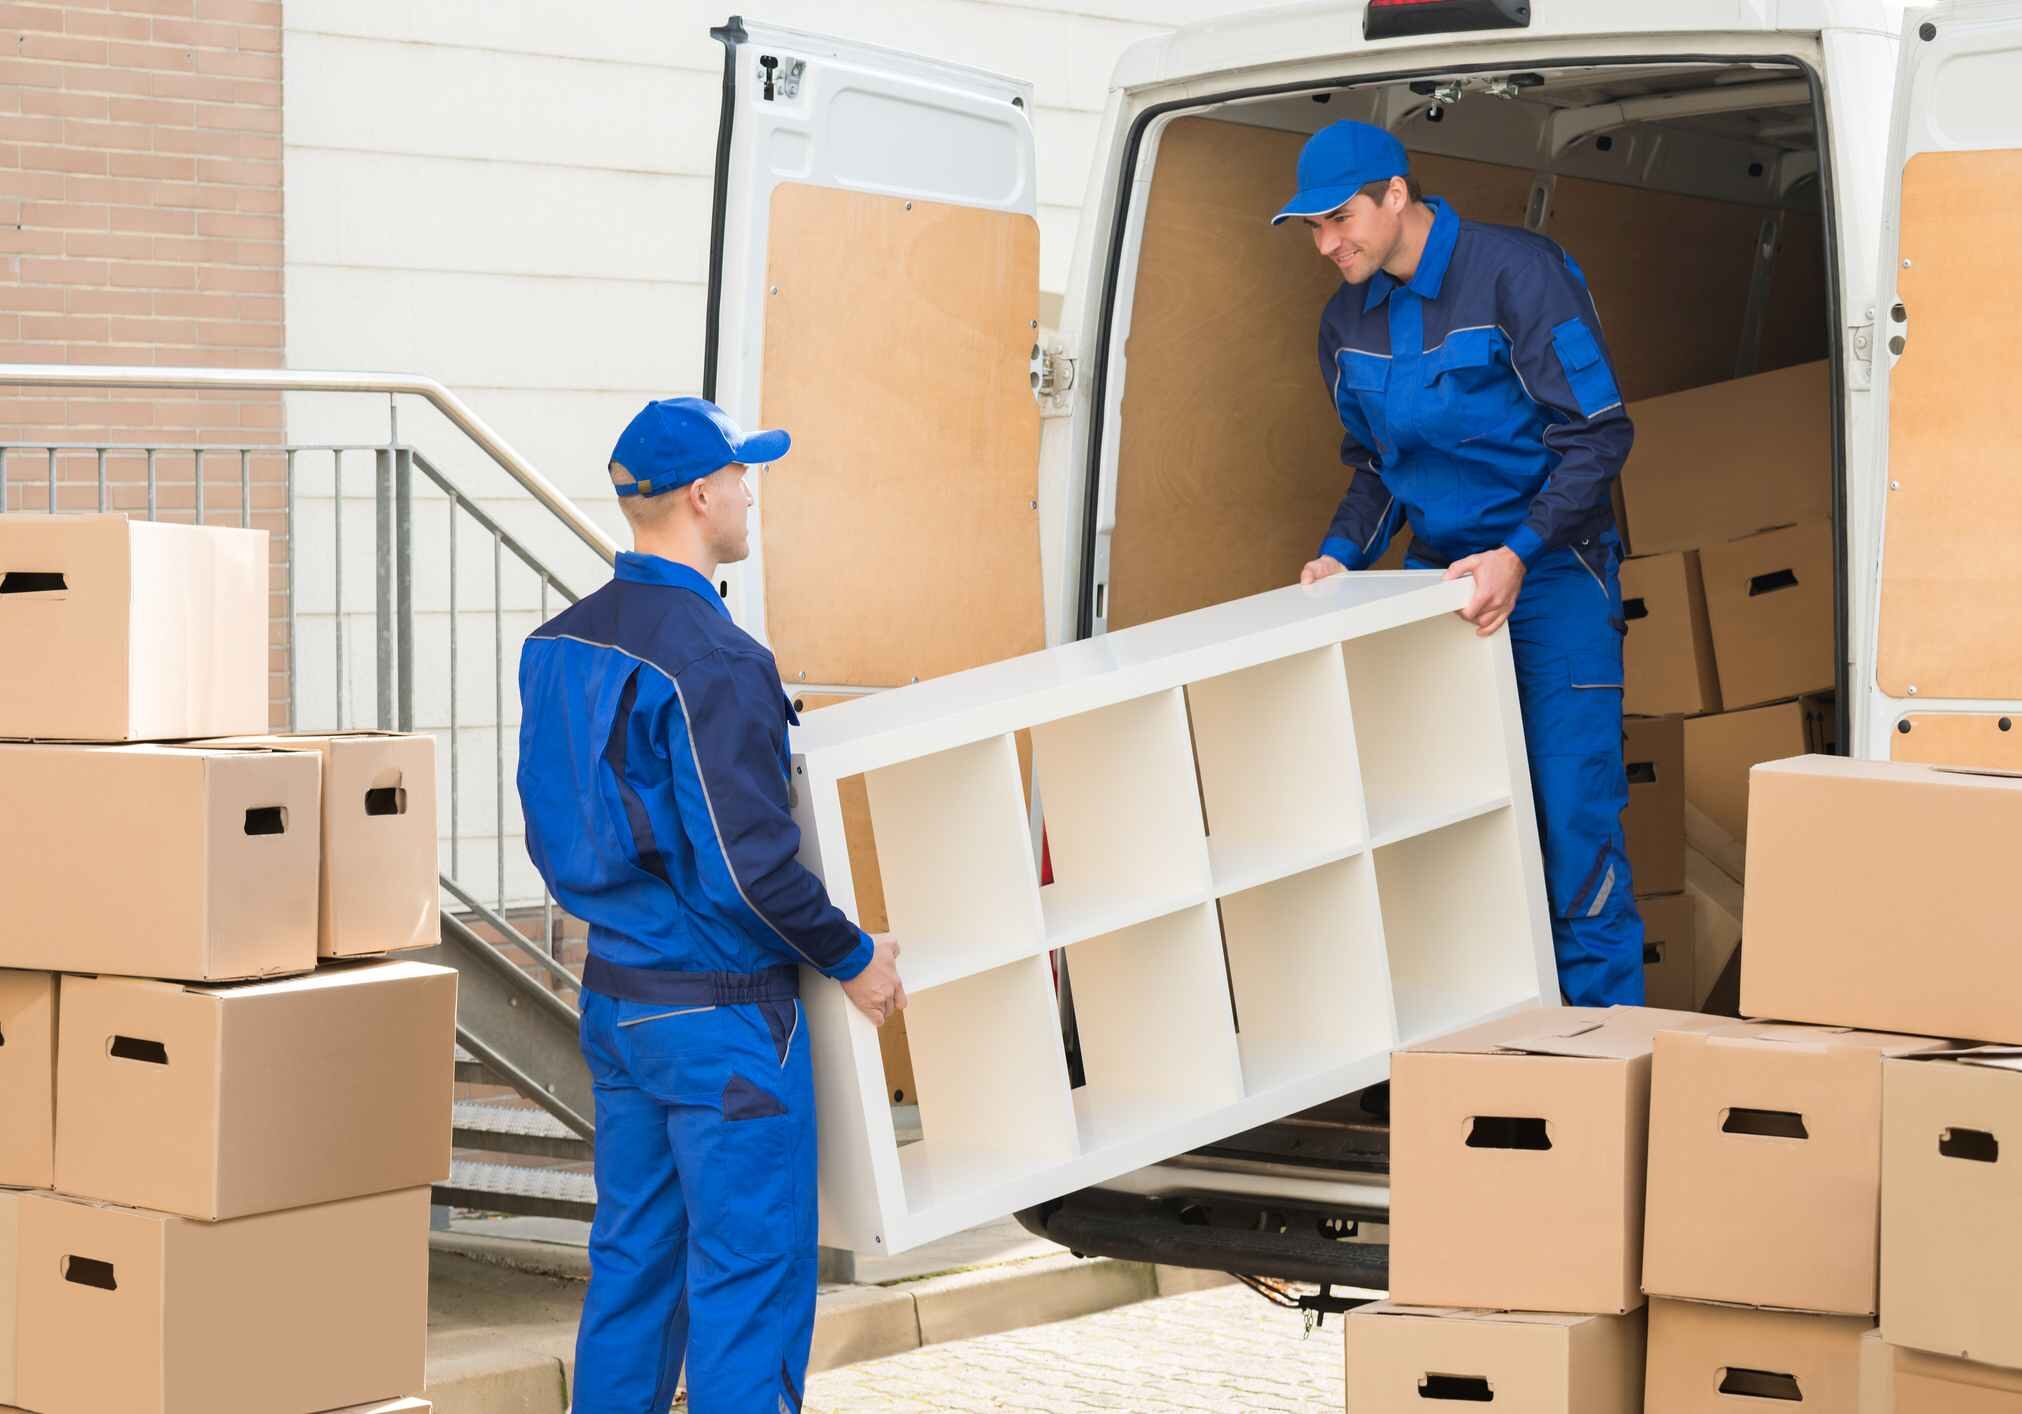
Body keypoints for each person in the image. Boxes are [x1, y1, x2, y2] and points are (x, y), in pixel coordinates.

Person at [516, 396, 905, 1413]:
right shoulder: (718, 656)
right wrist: (855, 954)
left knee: (636, 1275)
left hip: (619, 1002)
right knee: (746, 1290)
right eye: (742, 475)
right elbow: (750, 869)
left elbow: (550, 825)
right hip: (724, 1019)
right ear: (701, 494)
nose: (748, 492)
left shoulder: (558, 646)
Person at [1276, 120, 1644, 1006]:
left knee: (1571, 825)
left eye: (1339, 220)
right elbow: (1376, 468)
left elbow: (1599, 435)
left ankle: (1600, 1072)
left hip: (1551, 576)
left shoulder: (1517, 275)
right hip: (1436, 589)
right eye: (1314, 229)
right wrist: (1338, 559)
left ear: (1396, 196)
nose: (1327, 245)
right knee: (1455, 839)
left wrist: (1518, 554)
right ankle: (1486, 1071)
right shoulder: (1342, 323)